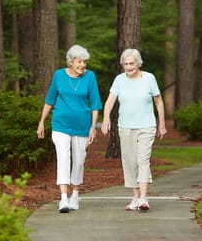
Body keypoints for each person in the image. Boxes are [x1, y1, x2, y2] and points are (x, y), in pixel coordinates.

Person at [37, 45, 103, 213]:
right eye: (79, 62)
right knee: (63, 158)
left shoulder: (90, 77)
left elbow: (95, 104)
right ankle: (64, 198)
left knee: (79, 159)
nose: (83, 65)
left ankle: (75, 194)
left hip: (82, 126)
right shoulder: (59, 75)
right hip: (60, 125)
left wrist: (93, 127)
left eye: (85, 62)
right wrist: (41, 122)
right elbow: (50, 100)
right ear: (71, 61)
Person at [101, 48, 167, 211]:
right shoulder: (119, 80)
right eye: (125, 64)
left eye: (131, 63)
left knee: (142, 160)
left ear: (138, 63)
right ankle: (136, 196)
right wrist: (106, 118)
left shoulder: (149, 78)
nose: (129, 67)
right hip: (125, 126)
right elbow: (109, 102)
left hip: (146, 126)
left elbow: (158, 102)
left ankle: (144, 198)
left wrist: (162, 124)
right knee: (129, 162)